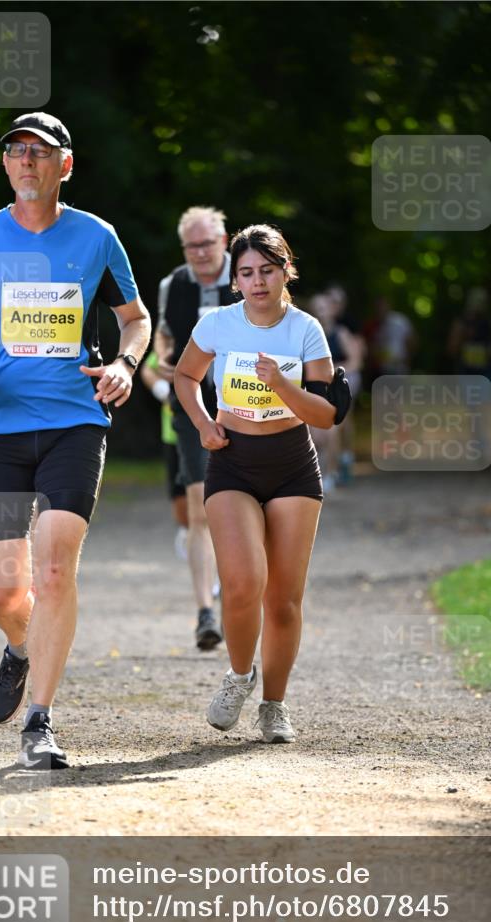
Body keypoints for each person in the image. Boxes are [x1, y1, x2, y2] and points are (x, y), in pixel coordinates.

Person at [0, 112, 151, 769]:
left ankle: (39, 720)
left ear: (65, 165)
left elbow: (135, 320)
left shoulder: (96, 237)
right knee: (5, 591)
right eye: (16, 152)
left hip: (73, 422)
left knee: (55, 566)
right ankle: (20, 647)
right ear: (6, 165)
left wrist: (123, 364)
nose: (26, 161)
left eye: (41, 152)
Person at [174, 224, 336, 743]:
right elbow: (184, 376)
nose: (258, 281)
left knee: (284, 599)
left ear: (285, 271)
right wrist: (203, 424)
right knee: (243, 584)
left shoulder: (306, 329)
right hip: (233, 461)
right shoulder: (217, 324)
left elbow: (328, 412)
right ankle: (240, 675)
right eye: (246, 272)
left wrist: (282, 384)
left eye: (267, 270)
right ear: (235, 279)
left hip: (291, 464)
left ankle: (274, 705)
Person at [154, 206, 239, 649]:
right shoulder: (175, 284)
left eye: (207, 244)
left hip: (245, 401)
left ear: (223, 241)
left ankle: (238, 600)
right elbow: (164, 334)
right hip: (190, 403)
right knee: (198, 504)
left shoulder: (247, 275)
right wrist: (167, 360)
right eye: (192, 246)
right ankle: (205, 611)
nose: (201, 253)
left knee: (241, 503)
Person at [309, 291, 365, 490]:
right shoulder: (308, 334)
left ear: (332, 310)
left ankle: (334, 471)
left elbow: (355, 361)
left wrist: (331, 371)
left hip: (342, 381)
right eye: (316, 309)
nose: (320, 312)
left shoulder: (340, 333)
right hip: (316, 384)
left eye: (323, 308)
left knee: (335, 426)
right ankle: (320, 470)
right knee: (315, 430)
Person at [139, 350, 189, 559]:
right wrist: (164, 391)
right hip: (174, 434)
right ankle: (188, 532)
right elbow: (148, 369)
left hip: (215, 432)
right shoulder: (172, 334)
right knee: (179, 498)